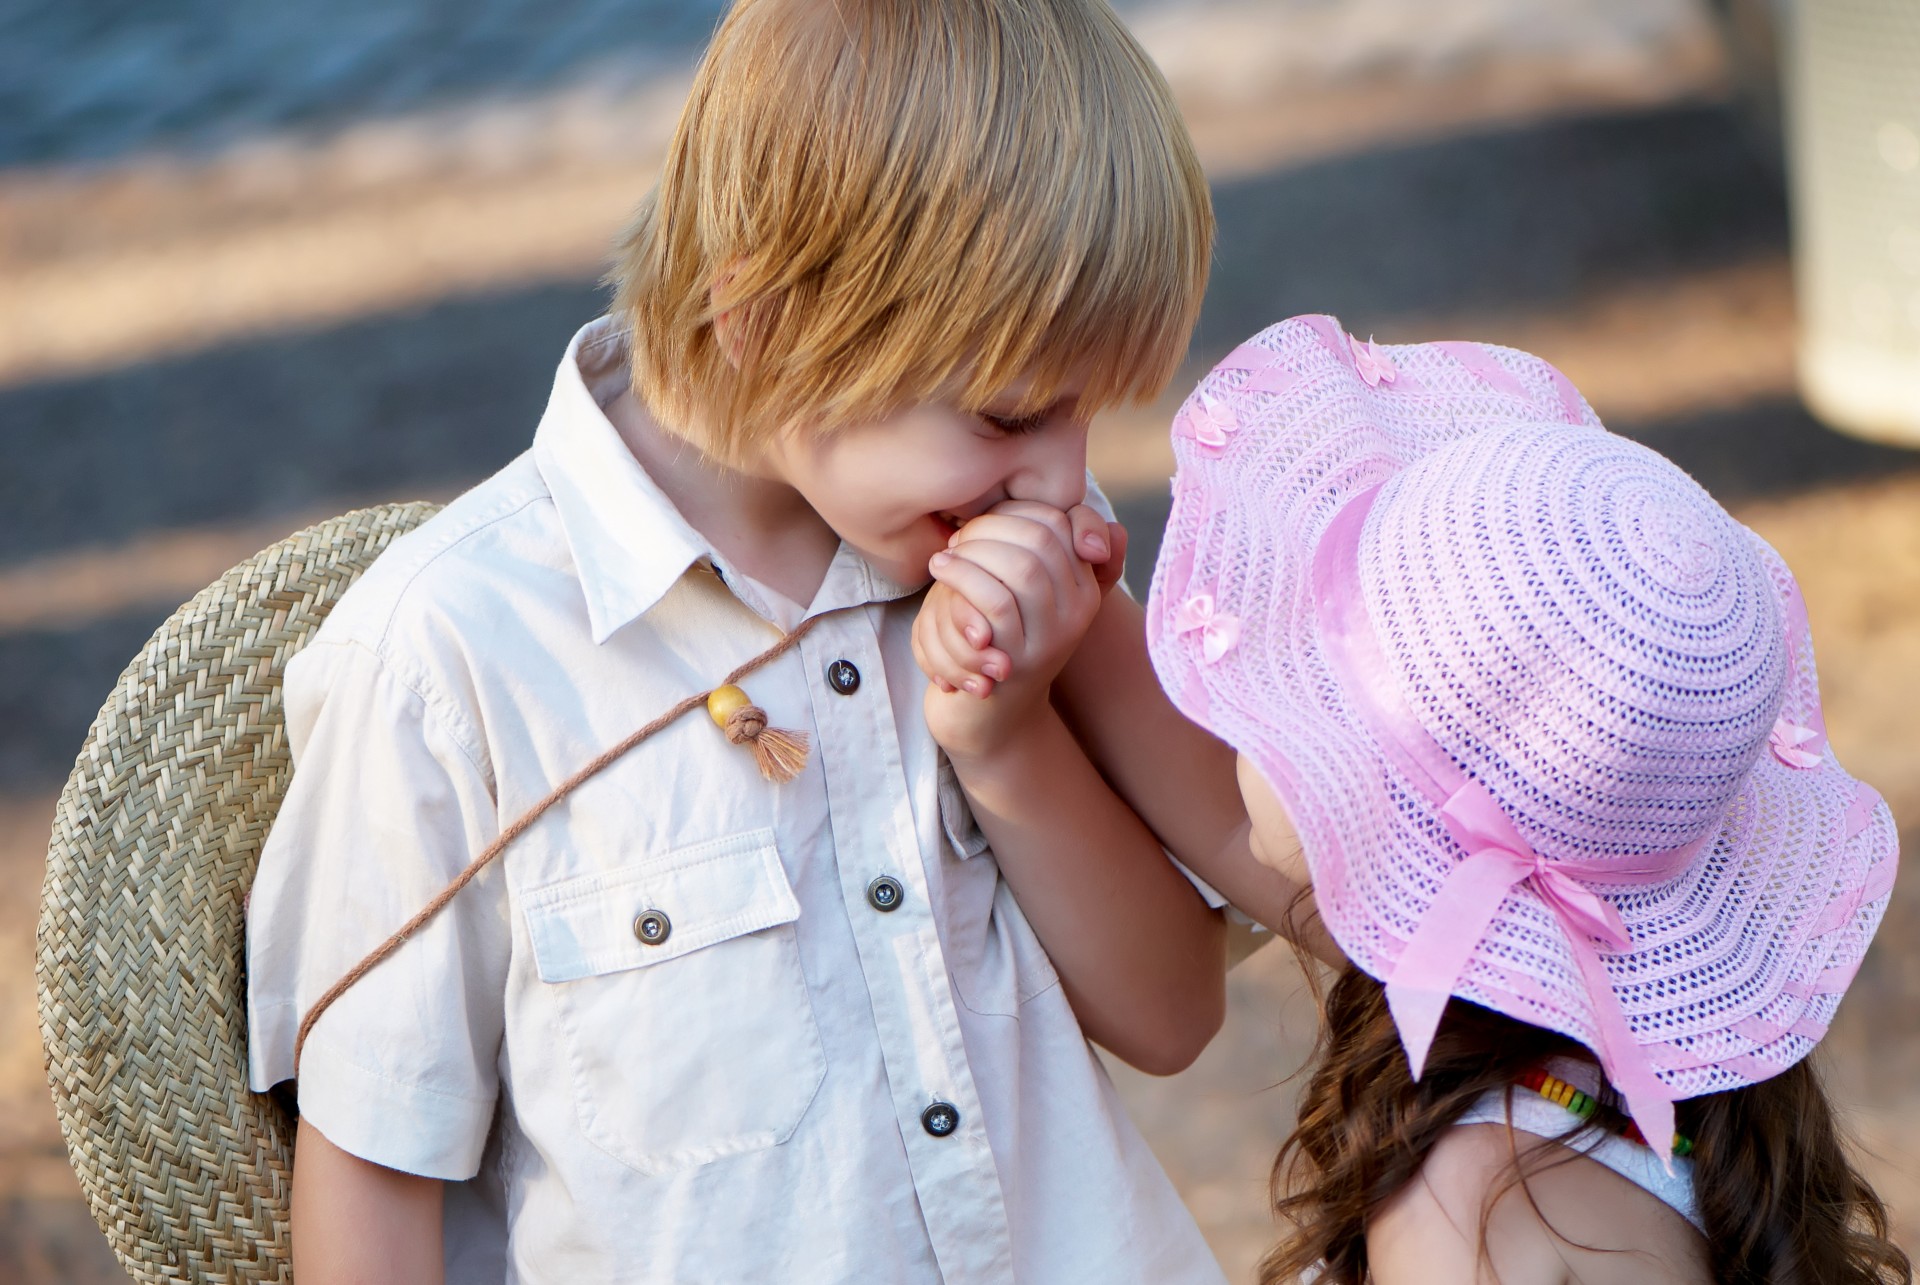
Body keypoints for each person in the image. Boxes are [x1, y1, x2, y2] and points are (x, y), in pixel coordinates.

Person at [243, 2, 1277, 1280]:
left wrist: (1010, 745)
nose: (1064, 485)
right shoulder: (454, 658)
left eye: (1085, 420)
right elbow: (378, 1170)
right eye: (1013, 415)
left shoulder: (1010, 563)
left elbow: (1174, 1014)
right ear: (770, 321)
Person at [1139, 316, 1911, 1285]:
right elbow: (1219, 818)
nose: (1243, 720)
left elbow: (1227, 821)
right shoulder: (1631, 1095)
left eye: (1305, 680)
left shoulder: (1478, 1205)